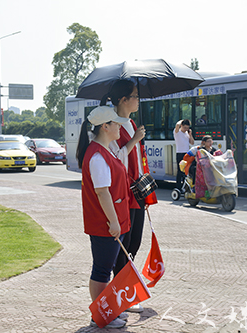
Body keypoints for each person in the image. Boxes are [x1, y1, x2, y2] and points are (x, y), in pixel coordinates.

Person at [102, 79, 158, 313]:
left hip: (136, 192)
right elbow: (114, 159)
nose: (138, 99)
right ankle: (123, 298)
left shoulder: (131, 123)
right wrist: (134, 140)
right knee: (123, 246)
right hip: (122, 194)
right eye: (134, 95)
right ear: (123, 100)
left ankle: (126, 293)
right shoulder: (113, 124)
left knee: (134, 242)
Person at [75, 105, 131, 329]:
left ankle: (107, 310)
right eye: (116, 123)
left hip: (109, 222)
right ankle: (100, 314)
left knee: (105, 267)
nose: (120, 127)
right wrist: (114, 221)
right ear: (105, 127)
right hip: (105, 224)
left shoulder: (103, 151)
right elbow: (102, 192)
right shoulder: (98, 155)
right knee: (102, 269)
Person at [174, 119, 194, 189]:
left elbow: (192, 142)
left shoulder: (187, 133)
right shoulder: (177, 132)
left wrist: (190, 135)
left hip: (187, 154)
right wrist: (182, 120)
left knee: (187, 171)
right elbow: (177, 125)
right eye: (185, 127)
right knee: (180, 171)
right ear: (181, 126)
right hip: (180, 153)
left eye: (187, 128)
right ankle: (178, 187)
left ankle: (185, 187)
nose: (186, 129)